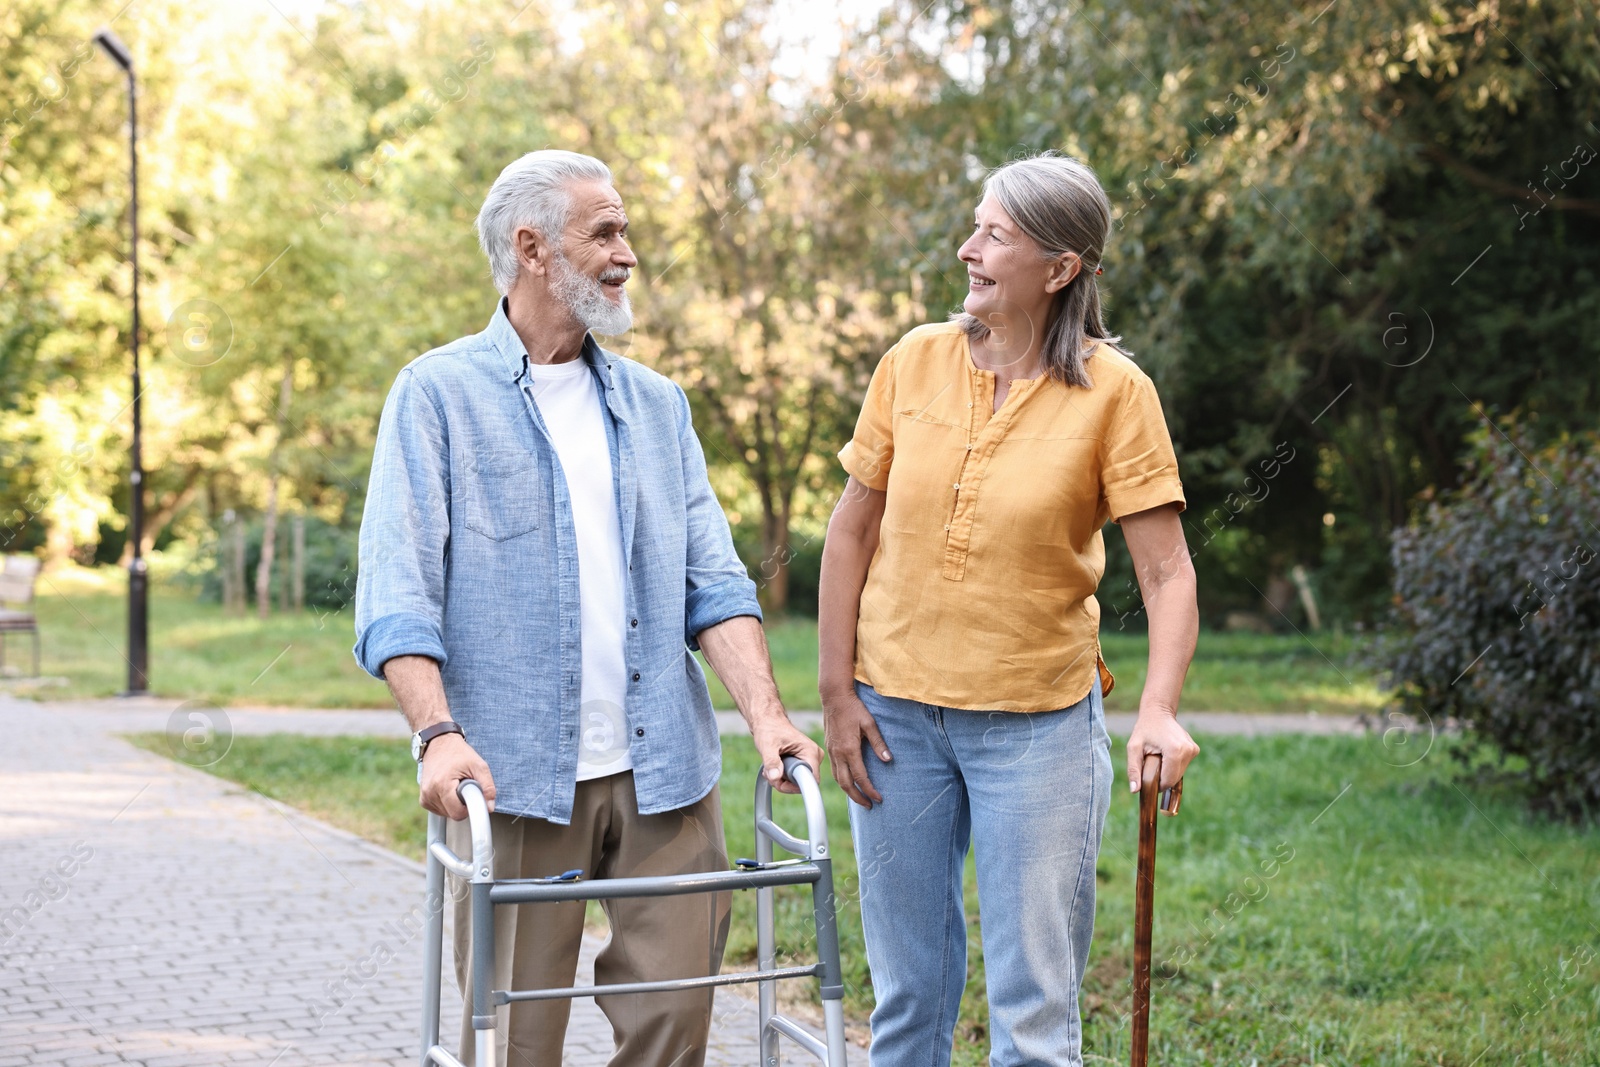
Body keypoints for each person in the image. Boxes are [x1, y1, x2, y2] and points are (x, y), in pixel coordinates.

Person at [353, 149, 821, 1067]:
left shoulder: (657, 406)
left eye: (625, 230)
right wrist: (436, 733)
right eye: (603, 230)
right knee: (517, 1041)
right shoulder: (436, 396)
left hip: (666, 772)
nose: (627, 252)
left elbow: (714, 580)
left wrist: (766, 714)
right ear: (531, 247)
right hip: (514, 776)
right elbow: (396, 591)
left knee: (676, 1024)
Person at [817, 152, 1200, 1067]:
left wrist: (1158, 707)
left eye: (995, 234)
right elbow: (849, 533)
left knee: (1033, 1016)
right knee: (907, 1000)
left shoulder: (1116, 392)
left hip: (1038, 733)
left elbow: (1169, 574)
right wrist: (836, 690)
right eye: (975, 226)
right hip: (894, 721)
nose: (967, 248)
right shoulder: (915, 361)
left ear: (1061, 267)